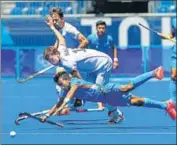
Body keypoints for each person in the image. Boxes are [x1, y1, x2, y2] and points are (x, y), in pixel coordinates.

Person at [43, 18, 124, 120]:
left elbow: (79, 81)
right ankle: (112, 110)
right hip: (91, 67)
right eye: (49, 61)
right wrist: (52, 27)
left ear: (56, 54)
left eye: (52, 59)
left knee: (97, 92)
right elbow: (61, 39)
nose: (52, 62)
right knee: (91, 91)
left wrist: (73, 94)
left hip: (103, 63)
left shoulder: (67, 63)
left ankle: (116, 112)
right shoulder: (60, 49)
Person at [40, 66, 176, 124]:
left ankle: (154, 72)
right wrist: (47, 115)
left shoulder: (74, 82)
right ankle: (166, 105)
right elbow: (58, 103)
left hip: (106, 90)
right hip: (107, 100)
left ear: (66, 79)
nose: (60, 85)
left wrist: (62, 107)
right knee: (137, 102)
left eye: (60, 82)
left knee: (127, 87)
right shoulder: (65, 90)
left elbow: (70, 95)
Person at [159, 18, 176, 105]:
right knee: (173, 76)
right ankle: (173, 101)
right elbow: (172, 35)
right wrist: (165, 36)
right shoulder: (174, 21)